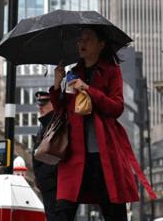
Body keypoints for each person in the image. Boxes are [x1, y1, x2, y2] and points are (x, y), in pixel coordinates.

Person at [50, 27, 156, 221]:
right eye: (80, 40)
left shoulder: (111, 72)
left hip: (104, 153)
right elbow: (60, 110)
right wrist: (57, 85)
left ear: (101, 44)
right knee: (62, 211)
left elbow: (116, 108)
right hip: (74, 155)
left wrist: (89, 89)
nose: (81, 43)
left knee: (114, 211)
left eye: (87, 39)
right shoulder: (73, 73)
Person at [32, 91, 57, 221]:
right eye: (38, 104)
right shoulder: (44, 124)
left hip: (53, 185)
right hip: (48, 184)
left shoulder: (55, 124)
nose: (40, 107)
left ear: (53, 104)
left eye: (44, 103)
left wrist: (45, 177)